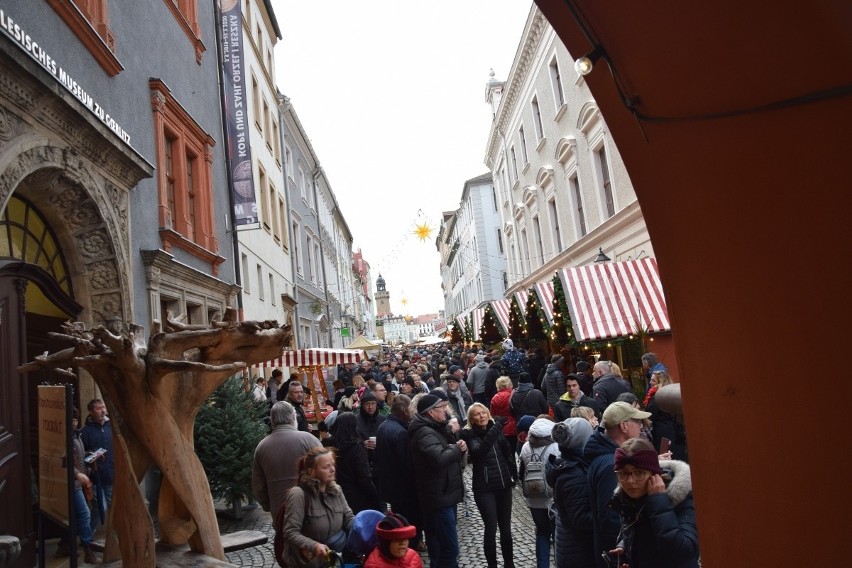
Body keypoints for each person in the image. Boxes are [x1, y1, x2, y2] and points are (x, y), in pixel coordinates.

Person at [608, 438, 699, 568]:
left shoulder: (681, 497)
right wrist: (626, 548)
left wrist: (659, 502)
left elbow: (684, 552)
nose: (631, 481)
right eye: (623, 473)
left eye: (639, 473)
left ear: (653, 473)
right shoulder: (626, 500)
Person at [584, 401, 652, 567]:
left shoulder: (607, 456)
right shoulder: (611, 465)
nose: (641, 427)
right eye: (637, 422)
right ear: (624, 426)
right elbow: (612, 518)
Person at [408, 393, 468, 568]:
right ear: (431, 412)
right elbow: (438, 458)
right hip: (438, 497)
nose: (445, 410)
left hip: (443, 494)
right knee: (449, 549)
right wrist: (456, 449)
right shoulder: (424, 432)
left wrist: (454, 441)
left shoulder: (434, 428)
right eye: (441, 407)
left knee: (440, 547)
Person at [461, 403, 517, 568]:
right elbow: (479, 452)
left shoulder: (496, 430)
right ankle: (492, 565)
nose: (482, 416)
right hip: (485, 489)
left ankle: (509, 563)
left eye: (484, 412)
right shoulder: (470, 434)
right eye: (477, 414)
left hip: (504, 485)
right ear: (472, 419)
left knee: (506, 529)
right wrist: (496, 428)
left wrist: (513, 474)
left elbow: (507, 454)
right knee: (491, 528)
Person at [279, 447, 355, 567]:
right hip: (310, 562)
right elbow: (290, 532)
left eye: (333, 465)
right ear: (310, 471)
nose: (332, 469)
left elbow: (349, 518)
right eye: (326, 467)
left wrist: (362, 530)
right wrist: (314, 546)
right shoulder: (298, 494)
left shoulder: (336, 490)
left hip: (336, 558)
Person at [252, 401, 321, 516]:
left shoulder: (262, 446)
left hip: (279, 509)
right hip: (310, 508)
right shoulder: (309, 440)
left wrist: (268, 505)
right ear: (293, 417)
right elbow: (325, 472)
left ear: (272, 420)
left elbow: (258, 486)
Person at [546, 418, 596, 568]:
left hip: (571, 547)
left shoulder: (569, 464)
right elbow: (580, 518)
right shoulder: (573, 475)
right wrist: (607, 515)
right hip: (577, 551)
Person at [375, 395, 424, 550]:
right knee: (410, 519)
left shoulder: (383, 426)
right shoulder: (401, 432)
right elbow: (406, 464)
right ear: (404, 410)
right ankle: (410, 548)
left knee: (400, 517)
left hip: (391, 485)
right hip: (404, 488)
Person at [55, 407, 102, 564]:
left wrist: (90, 459)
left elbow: (78, 460)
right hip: (70, 484)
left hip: (76, 483)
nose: (74, 423)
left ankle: (64, 544)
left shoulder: (77, 436)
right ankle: (87, 549)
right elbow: (62, 459)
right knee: (84, 514)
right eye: (71, 419)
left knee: (75, 516)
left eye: (75, 419)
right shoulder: (63, 437)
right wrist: (77, 474)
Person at [519, 417, 559, 568]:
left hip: (534, 498)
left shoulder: (526, 447)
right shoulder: (556, 447)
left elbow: (521, 472)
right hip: (552, 498)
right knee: (556, 535)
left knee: (542, 533)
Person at [323, 412, 382, 514]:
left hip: (333, 493)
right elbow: (364, 478)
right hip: (356, 498)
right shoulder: (357, 448)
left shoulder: (328, 445)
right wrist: (376, 500)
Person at [80, 398, 113, 535]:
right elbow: (81, 457)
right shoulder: (85, 431)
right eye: (99, 408)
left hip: (112, 474)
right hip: (95, 476)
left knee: (112, 506)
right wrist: (91, 456)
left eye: (103, 407)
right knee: (100, 507)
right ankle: (86, 534)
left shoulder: (112, 426)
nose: (103, 410)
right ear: (91, 411)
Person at [644, 371, 687, 460]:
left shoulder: (657, 397)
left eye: (653, 381)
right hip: (675, 433)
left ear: (660, 382)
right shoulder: (670, 395)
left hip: (662, 433)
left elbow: (651, 415)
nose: (650, 382)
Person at [489, 376, 517, 453]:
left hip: (501, 427)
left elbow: (492, 414)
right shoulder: (514, 395)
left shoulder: (495, 398)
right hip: (514, 426)